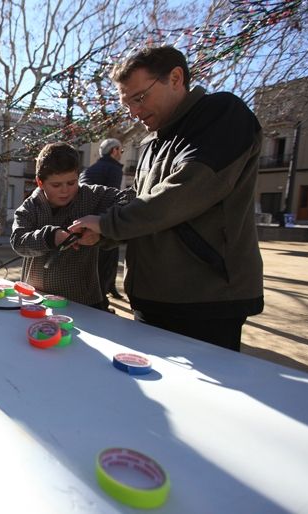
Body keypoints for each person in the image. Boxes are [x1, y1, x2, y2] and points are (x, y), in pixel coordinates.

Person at [69, 45, 264, 351]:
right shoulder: (151, 142)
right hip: (149, 299)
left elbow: (185, 191)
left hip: (205, 303)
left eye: (139, 98)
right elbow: (140, 202)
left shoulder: (223, 113)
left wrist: (108, 224)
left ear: (175, 78)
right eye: (127, 104)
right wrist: (102, 233)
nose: (134, 112)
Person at [11, 142, 124, 309]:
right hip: (37, 299)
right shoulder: (30, 207)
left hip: (85, 301)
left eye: (71, 183)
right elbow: (18, 241)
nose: (65, 191)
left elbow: (130, 199)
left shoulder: (91, 195)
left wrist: (101, 226)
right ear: (40, 182)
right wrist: (50, 237)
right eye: (56, 185)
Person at [80, 138, 126, 304]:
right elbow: (113, 199)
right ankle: (102, 302)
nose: (121, 154)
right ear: (114, 151)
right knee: (105, 260)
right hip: (99, 221)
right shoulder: (113, 168)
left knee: (98, 262)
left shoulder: (91, 169)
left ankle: (109, 289)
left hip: (85, 219)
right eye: (121, 150)